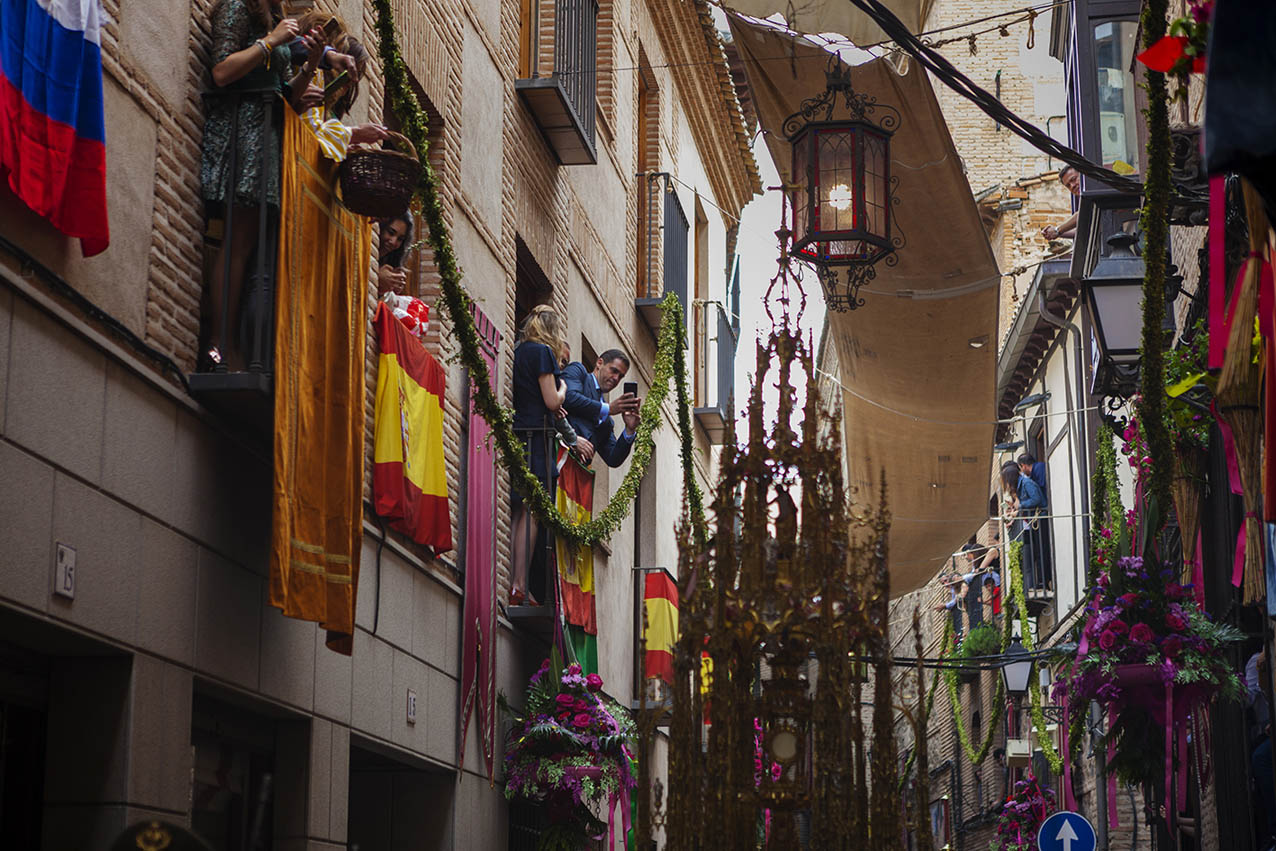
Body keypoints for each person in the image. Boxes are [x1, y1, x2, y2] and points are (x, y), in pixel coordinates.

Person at [200, 0, 326, 371]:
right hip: (242, 136)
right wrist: (270, 41)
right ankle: (220, 344)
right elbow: (222, 72)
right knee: (236, 242)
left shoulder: (273, 16)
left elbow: (284, 95)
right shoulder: (236, 8)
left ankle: (231, 342)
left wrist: (312, 65)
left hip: (266, 139)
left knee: (246, 244)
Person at [510, 305, 569, 606]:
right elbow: (549, 399)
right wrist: (563, 389)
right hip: (536, 441)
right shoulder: (543, 353)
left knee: (521, 511)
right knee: (533, 513)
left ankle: (516, 582)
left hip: (520, 436)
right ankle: (520, 581)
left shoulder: (519, 351)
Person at [560, 349, 642, 468]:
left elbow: (613, 459)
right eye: (614, 371)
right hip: (554, 458)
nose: (615, 378)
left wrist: (629, 430)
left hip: (575, 477)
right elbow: (569, 397)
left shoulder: (606, 421)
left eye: (620, 376)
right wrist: (608, 409)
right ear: (599, 363)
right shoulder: (578, 371)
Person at [1003, 460, 1050, 590]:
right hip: (1035, 521)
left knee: (1041, 552)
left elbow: (1037, 499)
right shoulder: (1020, 485)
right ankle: (1041, 581)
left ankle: (1043, 582)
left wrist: (1020, 508)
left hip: (1040, 519)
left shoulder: (1026, 483)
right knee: (1037, 553)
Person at [376, 214, 413, 296]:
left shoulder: (392, 267)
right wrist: (377, 277)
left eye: (400, 239)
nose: (393, 242)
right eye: (391, 233)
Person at [1041, 165, 1081, 241]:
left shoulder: (1093, 191)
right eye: (1068, 185)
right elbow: (1081, 232)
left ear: (1083, 176)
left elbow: (1082, 214)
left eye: (1074, 179)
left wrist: (1057, 230)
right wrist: (1057, 233)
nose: (1072, 186)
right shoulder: (1082, 199)